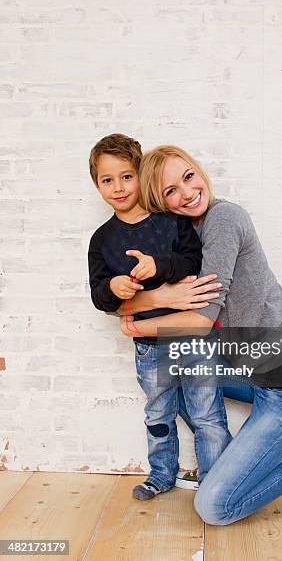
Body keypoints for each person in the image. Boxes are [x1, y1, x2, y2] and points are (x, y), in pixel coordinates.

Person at [118, 144, 282, 521]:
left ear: (199, 171)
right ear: (161, 202)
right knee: (178, 377)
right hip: (254, 372)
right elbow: (138, 299)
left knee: (215, 508)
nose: (187, 193)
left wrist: (137, 326)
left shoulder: (223, 220)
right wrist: (153, 297)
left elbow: (201, 321)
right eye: (171, 191)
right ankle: (220, 467)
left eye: (188, 177)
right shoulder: (186, 236)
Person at [87, 134, 231, 501]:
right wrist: (115, 288)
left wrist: (158, 267)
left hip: (193, 339)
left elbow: (192, 262)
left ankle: (214, 483)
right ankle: (162, 474)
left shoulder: (172, 222)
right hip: (150, 349)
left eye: (126, 176)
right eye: (107, 180)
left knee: (206, 415)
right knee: (158, 415)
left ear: (141, 176)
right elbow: (99, 295)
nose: (118, 187)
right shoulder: (101, 240)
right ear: (96, 184)